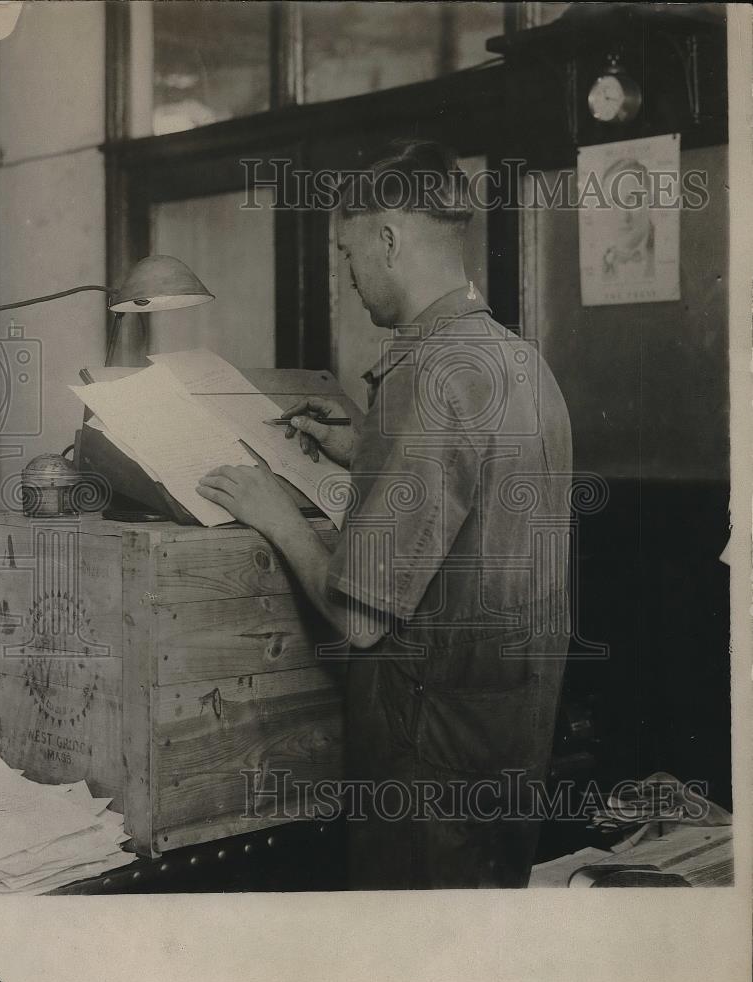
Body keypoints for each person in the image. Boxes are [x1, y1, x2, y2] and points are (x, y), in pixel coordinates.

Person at [197, 139, 573, 889]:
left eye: (347, 254)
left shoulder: (423, 377)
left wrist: (276, 513)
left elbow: (358, 619)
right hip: (503, 738)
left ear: (389, 239)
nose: (348, 276)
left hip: (425, 763)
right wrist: (368, 448)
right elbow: (479, 487)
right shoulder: (512, 357)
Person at [600, 157, 656, 281]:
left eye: (632, 200)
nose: (623, 216)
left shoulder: (668, 255)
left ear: (650, 202)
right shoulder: (598, 265)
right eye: (613, 203)